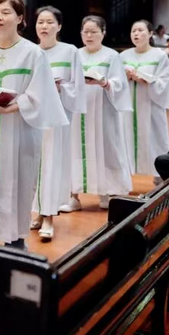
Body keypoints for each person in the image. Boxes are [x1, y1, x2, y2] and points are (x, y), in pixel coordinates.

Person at [0, 0, 67, 250]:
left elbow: (41, 96)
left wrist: (10, 107)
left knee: (19, 182)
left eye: (6, 12)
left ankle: (15, 239)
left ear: (20, 19)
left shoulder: (33, 53)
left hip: (20, 131)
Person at [61, 16, 132, 213]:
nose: (89, 35)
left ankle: (106, 192)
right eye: (86, 32)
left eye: (94, 31)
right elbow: (68, 79)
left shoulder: (111, 56)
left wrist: (105, 83)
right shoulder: (75, 54)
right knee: (75, 149)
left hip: (103, 110)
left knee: (106, 148)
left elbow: (119, 83)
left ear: (103, 33)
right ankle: (73, 195)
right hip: (78, 111)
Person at [30, 6, 86, 241]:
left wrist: (61, 86)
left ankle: (49, 215)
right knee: (34, 165)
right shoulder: (30, 51)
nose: (44, 26)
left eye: (49, 22)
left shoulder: (70, 51)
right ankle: (38, 211)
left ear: (59, 26)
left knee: (51, 165)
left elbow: (78, 87)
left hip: (57, 117)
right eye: (40, 22)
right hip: (33, 117)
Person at [121, 20, 169, 182]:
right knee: (126, 138)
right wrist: (126, 77)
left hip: (150, 105)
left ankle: (159, 174)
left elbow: (164, 82)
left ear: (150, 34)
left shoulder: (159, 56)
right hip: (129, 107)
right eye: (133, 31)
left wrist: (145, 79)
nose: (136, 34)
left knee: (156, 139)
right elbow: (115, 81)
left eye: (140, 30)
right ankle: (125, 176)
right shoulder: (123, 56)